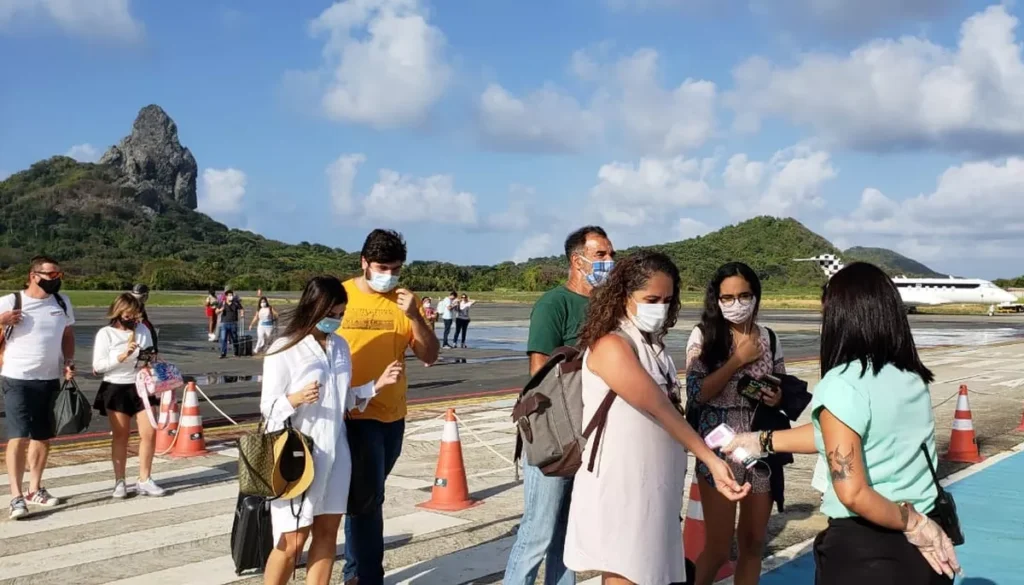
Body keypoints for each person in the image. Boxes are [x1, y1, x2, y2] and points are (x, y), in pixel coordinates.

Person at [723, 262, 961, 584]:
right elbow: (839, 436)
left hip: (870, 549)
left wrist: (913, 523)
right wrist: (761, 440)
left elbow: (853, 493)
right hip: (923, 551)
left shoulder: (843, 382)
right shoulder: (910, 376)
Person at [565, 251, 750, 585]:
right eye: (651, 299)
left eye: (667, 299)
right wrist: (708, 458)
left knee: (650, 572)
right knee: (625, 571)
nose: (660, 308)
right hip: (621, 485)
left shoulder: (654, 347)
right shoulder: (612, 346)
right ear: (623, 297)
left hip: (655, 485)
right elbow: (659, 408)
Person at [259, 276, 403, 585]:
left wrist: (376, 386)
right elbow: (268, 409)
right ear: (313, 308)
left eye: (340, 315)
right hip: (298, 456)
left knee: (326, 534)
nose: (335, 321)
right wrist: (294, 399)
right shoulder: (285, 348)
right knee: (292, 540)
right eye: (331, 315)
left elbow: (343, 398)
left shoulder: (340, 346)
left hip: (337, 453)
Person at [503, 225, 614, 585]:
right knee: (538, 531)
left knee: (568, 536)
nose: (609, 261)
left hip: (590, 434)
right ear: (576, 260)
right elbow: (539, 374)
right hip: (556, 435)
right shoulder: (555, 304)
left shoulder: (606, 307)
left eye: (611, 254)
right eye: (601, 255)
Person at [338, 229, 440, 585]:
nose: (389, 276)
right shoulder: (341, 296)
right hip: (350, 414)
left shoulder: (404, 301)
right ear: (364, 263)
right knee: (368, 499)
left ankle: (355, 570)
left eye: (396, 269)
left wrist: (415, 316)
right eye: (382, 267)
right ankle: (365, 575)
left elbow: (429, 355)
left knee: (366, 495)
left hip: (391, 416)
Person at [684, 262, 785, 585]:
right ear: (716, 300)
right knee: (717, 547)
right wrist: (737, 360)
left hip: (761, 447)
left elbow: (783, 385)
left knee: (753, 543)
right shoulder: (704, 337)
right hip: (719, 448)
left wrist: (777, 397)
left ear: (756, 296)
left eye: (744, 295)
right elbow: (697, 393)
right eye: (728, 298)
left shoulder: (769, 337)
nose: (737, 304)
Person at [0, 256, 76, 519]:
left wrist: (68, 361)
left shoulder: (62, 302)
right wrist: (2, 321)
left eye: (59, 275)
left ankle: (35, 489)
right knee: (18, 437)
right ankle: (16, 497)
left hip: (49, 378)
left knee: (43, 437)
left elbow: (67, 334)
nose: (57, 280)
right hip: (16, 377)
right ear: (34, 275)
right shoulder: (10, 302)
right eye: (51, 275)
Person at [91, 293, 165, 498]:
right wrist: (122, 356)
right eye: (129, 314)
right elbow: (98, 366)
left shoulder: (143, 330)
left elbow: (150, 355)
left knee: (149, 433)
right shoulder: (106, 334)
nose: (133, 319)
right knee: (121, 435)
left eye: (136, 314)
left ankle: (145, 479)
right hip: (116, 386)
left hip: (141, 385)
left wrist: (149, 360)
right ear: (118, 312)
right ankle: (119, 481)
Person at [130, 284, 159, 354]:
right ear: (144, 296)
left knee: (150, 329)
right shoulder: (135, 304)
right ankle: (151, 350)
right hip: (131, 326)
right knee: (150, 330)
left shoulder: (136, 303)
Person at [216, 290, 244, 359]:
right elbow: (216, 311)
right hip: (224, 323)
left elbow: (241, 309)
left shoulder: (236, 303)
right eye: (229, 295)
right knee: (223, 339)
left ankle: (236, 352)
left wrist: (242, 314)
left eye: (231, 295)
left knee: (234, 338)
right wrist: (220, 310)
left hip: (233, 323)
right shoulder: (222, 303)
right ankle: (223, 353)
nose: (230, 297)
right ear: (226, 296)